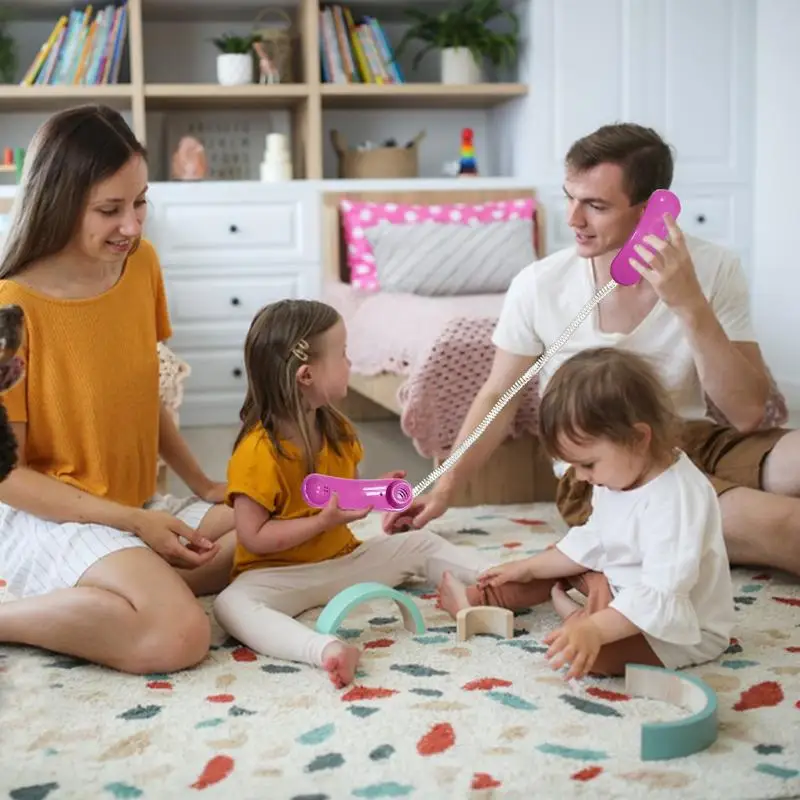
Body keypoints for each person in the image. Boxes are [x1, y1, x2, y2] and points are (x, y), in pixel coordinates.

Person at [385, 122, 800, 578]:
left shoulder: (715, 269)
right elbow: (497, 397)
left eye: (596, 206)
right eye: (570, 197)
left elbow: (746, 413)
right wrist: (444, 490)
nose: (572, 220)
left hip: (694, 438)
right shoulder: (540, 284)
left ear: (650, 212)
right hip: (602, 471)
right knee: (787, 526)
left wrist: (689, 304)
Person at [0, 105, 236, 675]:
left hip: (132, 504)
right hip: (50, 517)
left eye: (140, 202)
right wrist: (133, 525)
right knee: (180, 635)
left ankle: (118, 592)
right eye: (110, 209)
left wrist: (203, 484)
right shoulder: (12, 309)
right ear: (58, 203)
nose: (132, 226)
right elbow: (8, 477)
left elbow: (138, 393)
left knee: (259, 531)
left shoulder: (141, 265)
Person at [212, 299, 493, 689]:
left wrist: (377, 494)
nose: (350, 362)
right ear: (306, 376)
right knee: (231, 605)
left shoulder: (338, 431)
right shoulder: (257, 452)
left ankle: (501, 579)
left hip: (343, 560)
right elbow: (253, 538)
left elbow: (344, 495)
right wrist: (322, 521)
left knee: (422, 542)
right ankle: (324, 650)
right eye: (342, 354)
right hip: (278, 577)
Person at [438, 347, 737, 680]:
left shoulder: (677, 501)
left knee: (591, 658)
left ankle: (582, 615)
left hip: (678, 629)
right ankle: (476, 600)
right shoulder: (621, 469)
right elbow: (596, 536)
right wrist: (527, 567)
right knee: (546, 565)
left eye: (587, 464)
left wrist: (594, 629)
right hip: (620, 586)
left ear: (638, 438)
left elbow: (662, 595)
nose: (579, 477)